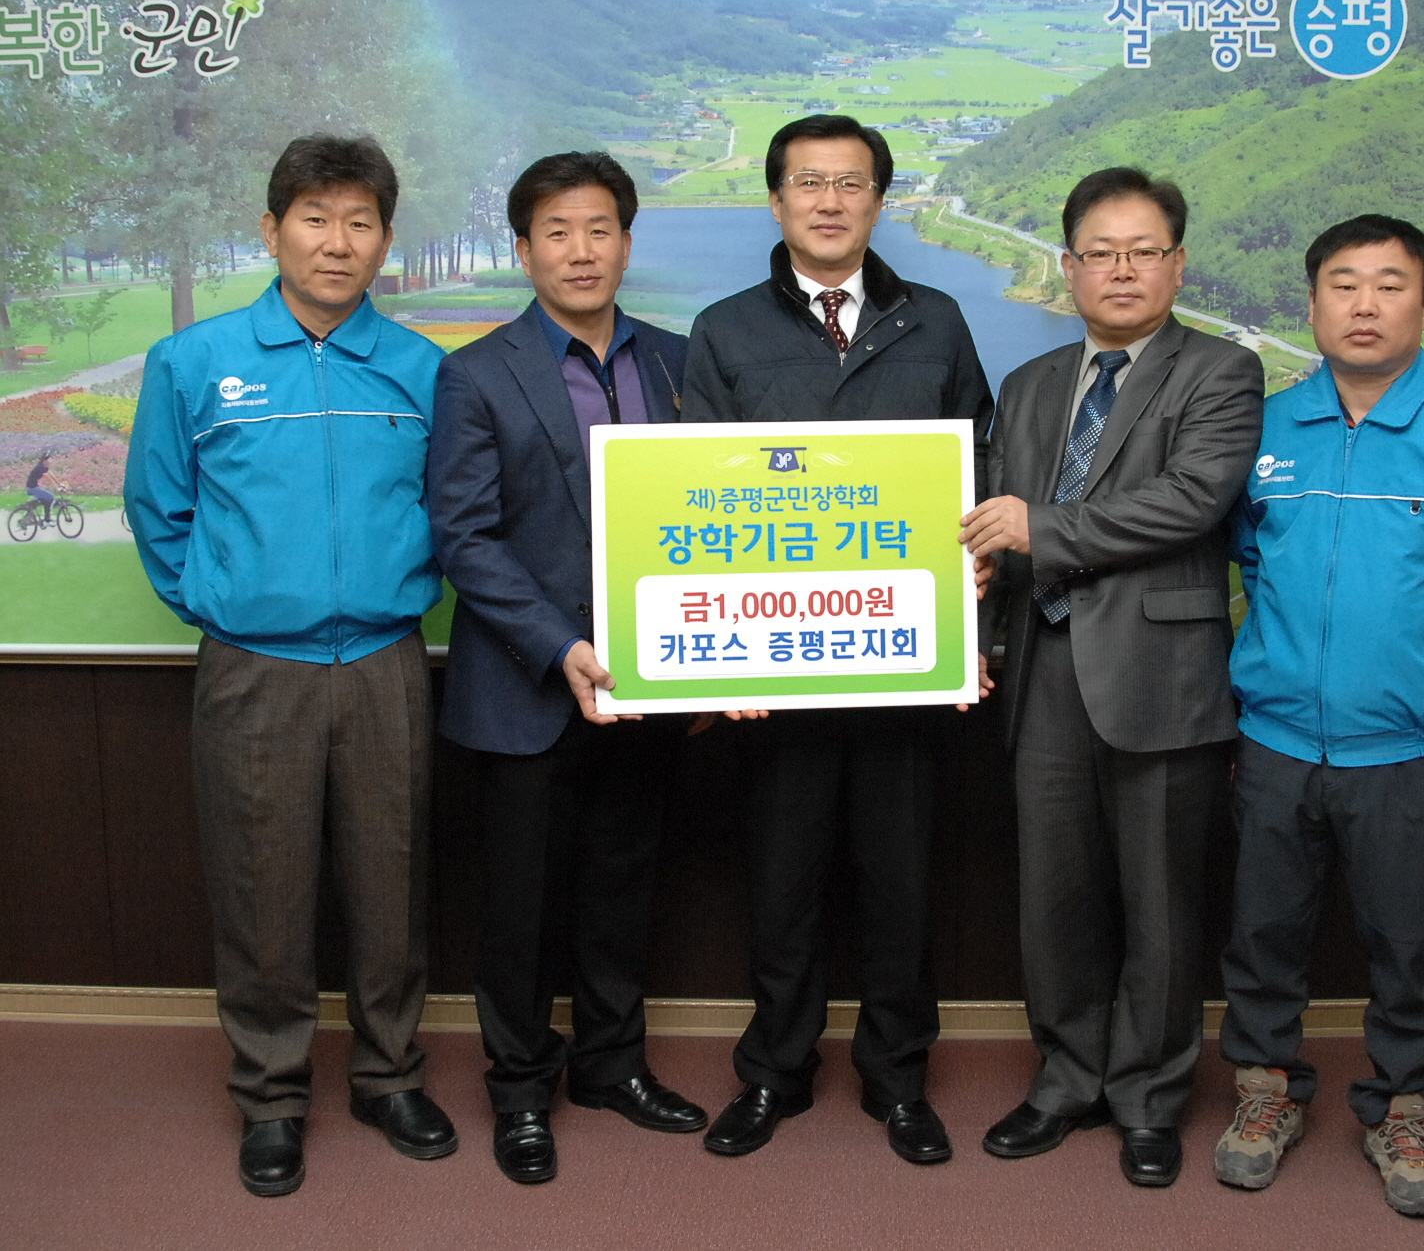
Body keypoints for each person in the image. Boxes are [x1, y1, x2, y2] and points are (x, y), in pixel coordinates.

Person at [125, 135, 454, 1197]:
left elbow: (451, 512)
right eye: (315, 218)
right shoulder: (193, 362)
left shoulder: (422, 370)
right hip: (253, 669)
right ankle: (270, 1096)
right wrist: (229, 602)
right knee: (259, 887)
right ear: (272, 231)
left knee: (392, 883)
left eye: (360, 222)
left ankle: (389, 1075)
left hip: (385, 661)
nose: (337, 242)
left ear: (385, 241)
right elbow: (159, 511)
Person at [1212, 214, 1424, 1217]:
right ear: (1313, 303)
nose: (1364, 305)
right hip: (1273, 741)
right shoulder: (1266, 429)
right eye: (1343, 284)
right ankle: (1265, 1093)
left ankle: (1402, 1110)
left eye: (1389, 285)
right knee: (1261, 934)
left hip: (1408, 751)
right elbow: (1247, 558)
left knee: (1410, 944)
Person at [682, 113, 993, 1165]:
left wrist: (971, 615)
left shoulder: (935, 320)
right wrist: (714, 656)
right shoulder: (724, 330)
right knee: (782, 888)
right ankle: (773, 1074)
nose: (828, 201)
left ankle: (899, 1081)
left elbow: (977, 473)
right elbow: (693, 497)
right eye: (808, 183)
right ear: (775, 201)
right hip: (776, 677)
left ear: (878, 201)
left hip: (905, 673)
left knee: (901, 890)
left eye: (850, 183)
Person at [960, 166, 1263, 1187]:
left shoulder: (1221, 372)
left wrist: (1039, 529)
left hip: (1160, 675)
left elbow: (1190, 501)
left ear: (1177, 264)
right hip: (1040, 670)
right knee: (1054, 897)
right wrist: (972, 637)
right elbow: (989, 531)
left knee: (1160, 904)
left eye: (1143, 252)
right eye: (1100, 252)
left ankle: (1148, 1098)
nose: (1121, 270)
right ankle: (1065, 1079)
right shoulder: (1029, 384)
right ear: (1068, 266)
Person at [426, 152, 705, 1185]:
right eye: (556, 232)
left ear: (626, 242)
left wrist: (716, 666)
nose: (579, 251)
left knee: (622, 889)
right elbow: (465, 538)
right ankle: (518, 1092)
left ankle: (612, 1067)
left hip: (651, 686)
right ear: (523, 249)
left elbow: (719, 514)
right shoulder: (475, 373)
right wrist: (560, 647)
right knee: (519, 909)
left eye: (598, 229)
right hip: (527, 688)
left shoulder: (681, 363)